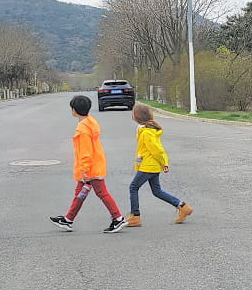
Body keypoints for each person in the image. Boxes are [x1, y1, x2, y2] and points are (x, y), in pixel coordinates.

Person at [49, 95, 127, 233]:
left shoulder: (83, 129)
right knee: (80, 193)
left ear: (74, 110)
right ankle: (68, 219)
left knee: (102, 193)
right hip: (94, 164)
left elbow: (86, 151)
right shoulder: (90, 122)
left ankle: (118, 218)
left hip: (90, 168)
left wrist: (84, 169)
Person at [124, 103, 192, 227]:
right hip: (151, 165)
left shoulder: (146, 133)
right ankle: (182, 206)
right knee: (157, 191)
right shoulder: (144, 130)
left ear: (137, 116)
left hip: (148, 166)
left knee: (133, 187)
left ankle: (135, 216)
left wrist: (164, 162)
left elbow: (157, 150)